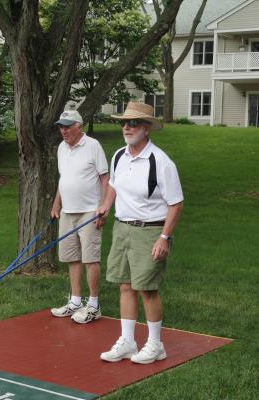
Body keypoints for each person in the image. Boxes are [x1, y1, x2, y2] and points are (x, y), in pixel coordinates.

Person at [96, 102, 183, 364]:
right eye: (124, 122)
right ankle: (128, 342)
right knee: (125, 286)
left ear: (146, 128)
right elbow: (113, 184)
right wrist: (105, 206)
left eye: (133, 123)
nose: (126, 127)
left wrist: (164, 238)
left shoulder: (161, 162)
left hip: (150, 231)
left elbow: (176, 203)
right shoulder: (119, 155)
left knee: (147, 289)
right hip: (123, 228)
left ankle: (156, 345)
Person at [50, 109, 109, 324]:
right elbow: (63, 179)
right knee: (71, 257)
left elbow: (105, 179)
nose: (63, 130)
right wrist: (57, 203)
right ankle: (75, 301)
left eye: (67, 126)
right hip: (67, 211)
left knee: (90, 258)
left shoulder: (93, 145)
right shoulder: (61, 148)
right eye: (61, 126)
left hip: (90, 210)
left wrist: (103, 207)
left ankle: (93, 305)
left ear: (79, 127)